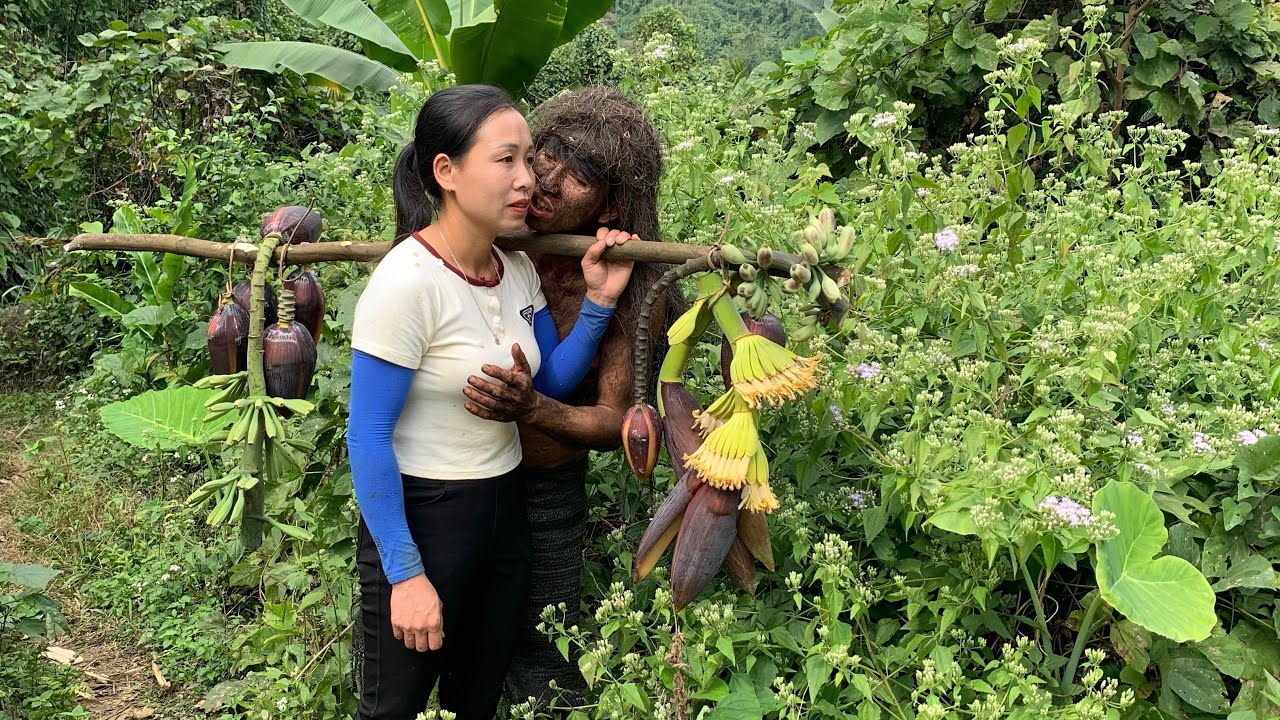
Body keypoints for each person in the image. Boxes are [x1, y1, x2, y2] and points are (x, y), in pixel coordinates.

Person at [345, 84, 637, 720]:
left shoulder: (516, 270)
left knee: (476, 699)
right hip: (427, 514)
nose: (528, 179)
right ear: (446, 173)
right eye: (507, 160)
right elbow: (366, 435)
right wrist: (406, 574)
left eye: (528, 159)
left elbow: (550, 383)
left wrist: (599, 303)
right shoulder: (406, 282)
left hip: (505, 513)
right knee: (394, 706)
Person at [458, 87, 680, 706]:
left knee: (545, 646)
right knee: (436, 624)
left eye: (580, 175)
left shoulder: (632, 283)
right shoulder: (488, 238)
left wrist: (534, 410)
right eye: (545, 156)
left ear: (614, 200)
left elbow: (617, 422)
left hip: (546, 489)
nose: (548, 182)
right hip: (453, 475)